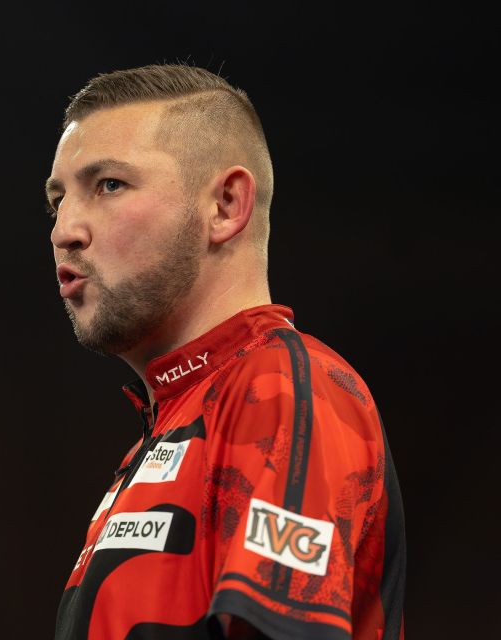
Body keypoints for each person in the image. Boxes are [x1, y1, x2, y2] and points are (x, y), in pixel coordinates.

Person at [45, 64, 406, 640]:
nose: (64, 228)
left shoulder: (281, 386)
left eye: (109, 185)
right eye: (57, 200)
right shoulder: (172, 423)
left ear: (226, 205)